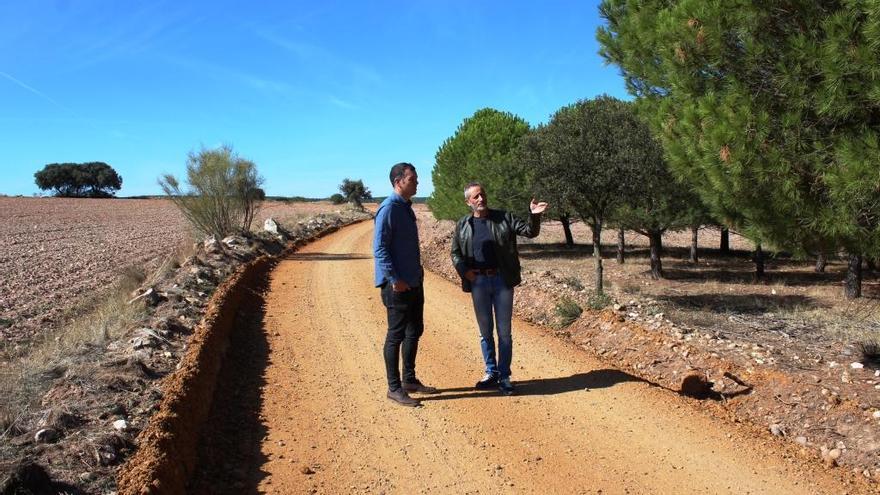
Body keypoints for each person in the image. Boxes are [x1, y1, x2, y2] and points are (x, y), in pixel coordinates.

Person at [451, 182, 547, 395]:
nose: (481, 199)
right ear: (468, 202)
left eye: (483, 194)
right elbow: (455, 252)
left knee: (504, 333)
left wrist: (534, 215)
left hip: (502, 281)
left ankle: (504, 376)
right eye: (476, 197)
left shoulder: (504, 218)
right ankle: (491, 372)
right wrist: (464, 271)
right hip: (478, 283)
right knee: (485, 332)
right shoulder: (463, 225)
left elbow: (530, 232)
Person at [373, 162, 438, 407]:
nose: (417, 182)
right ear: (399, 181)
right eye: (413, 178)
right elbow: (379, 249)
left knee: (415, 330)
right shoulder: (389, 209)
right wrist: (394, 279)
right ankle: (394, 388)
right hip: (396, 286)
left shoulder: (406, 208)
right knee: (396, 335)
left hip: (413, 281)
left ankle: (409, 380)